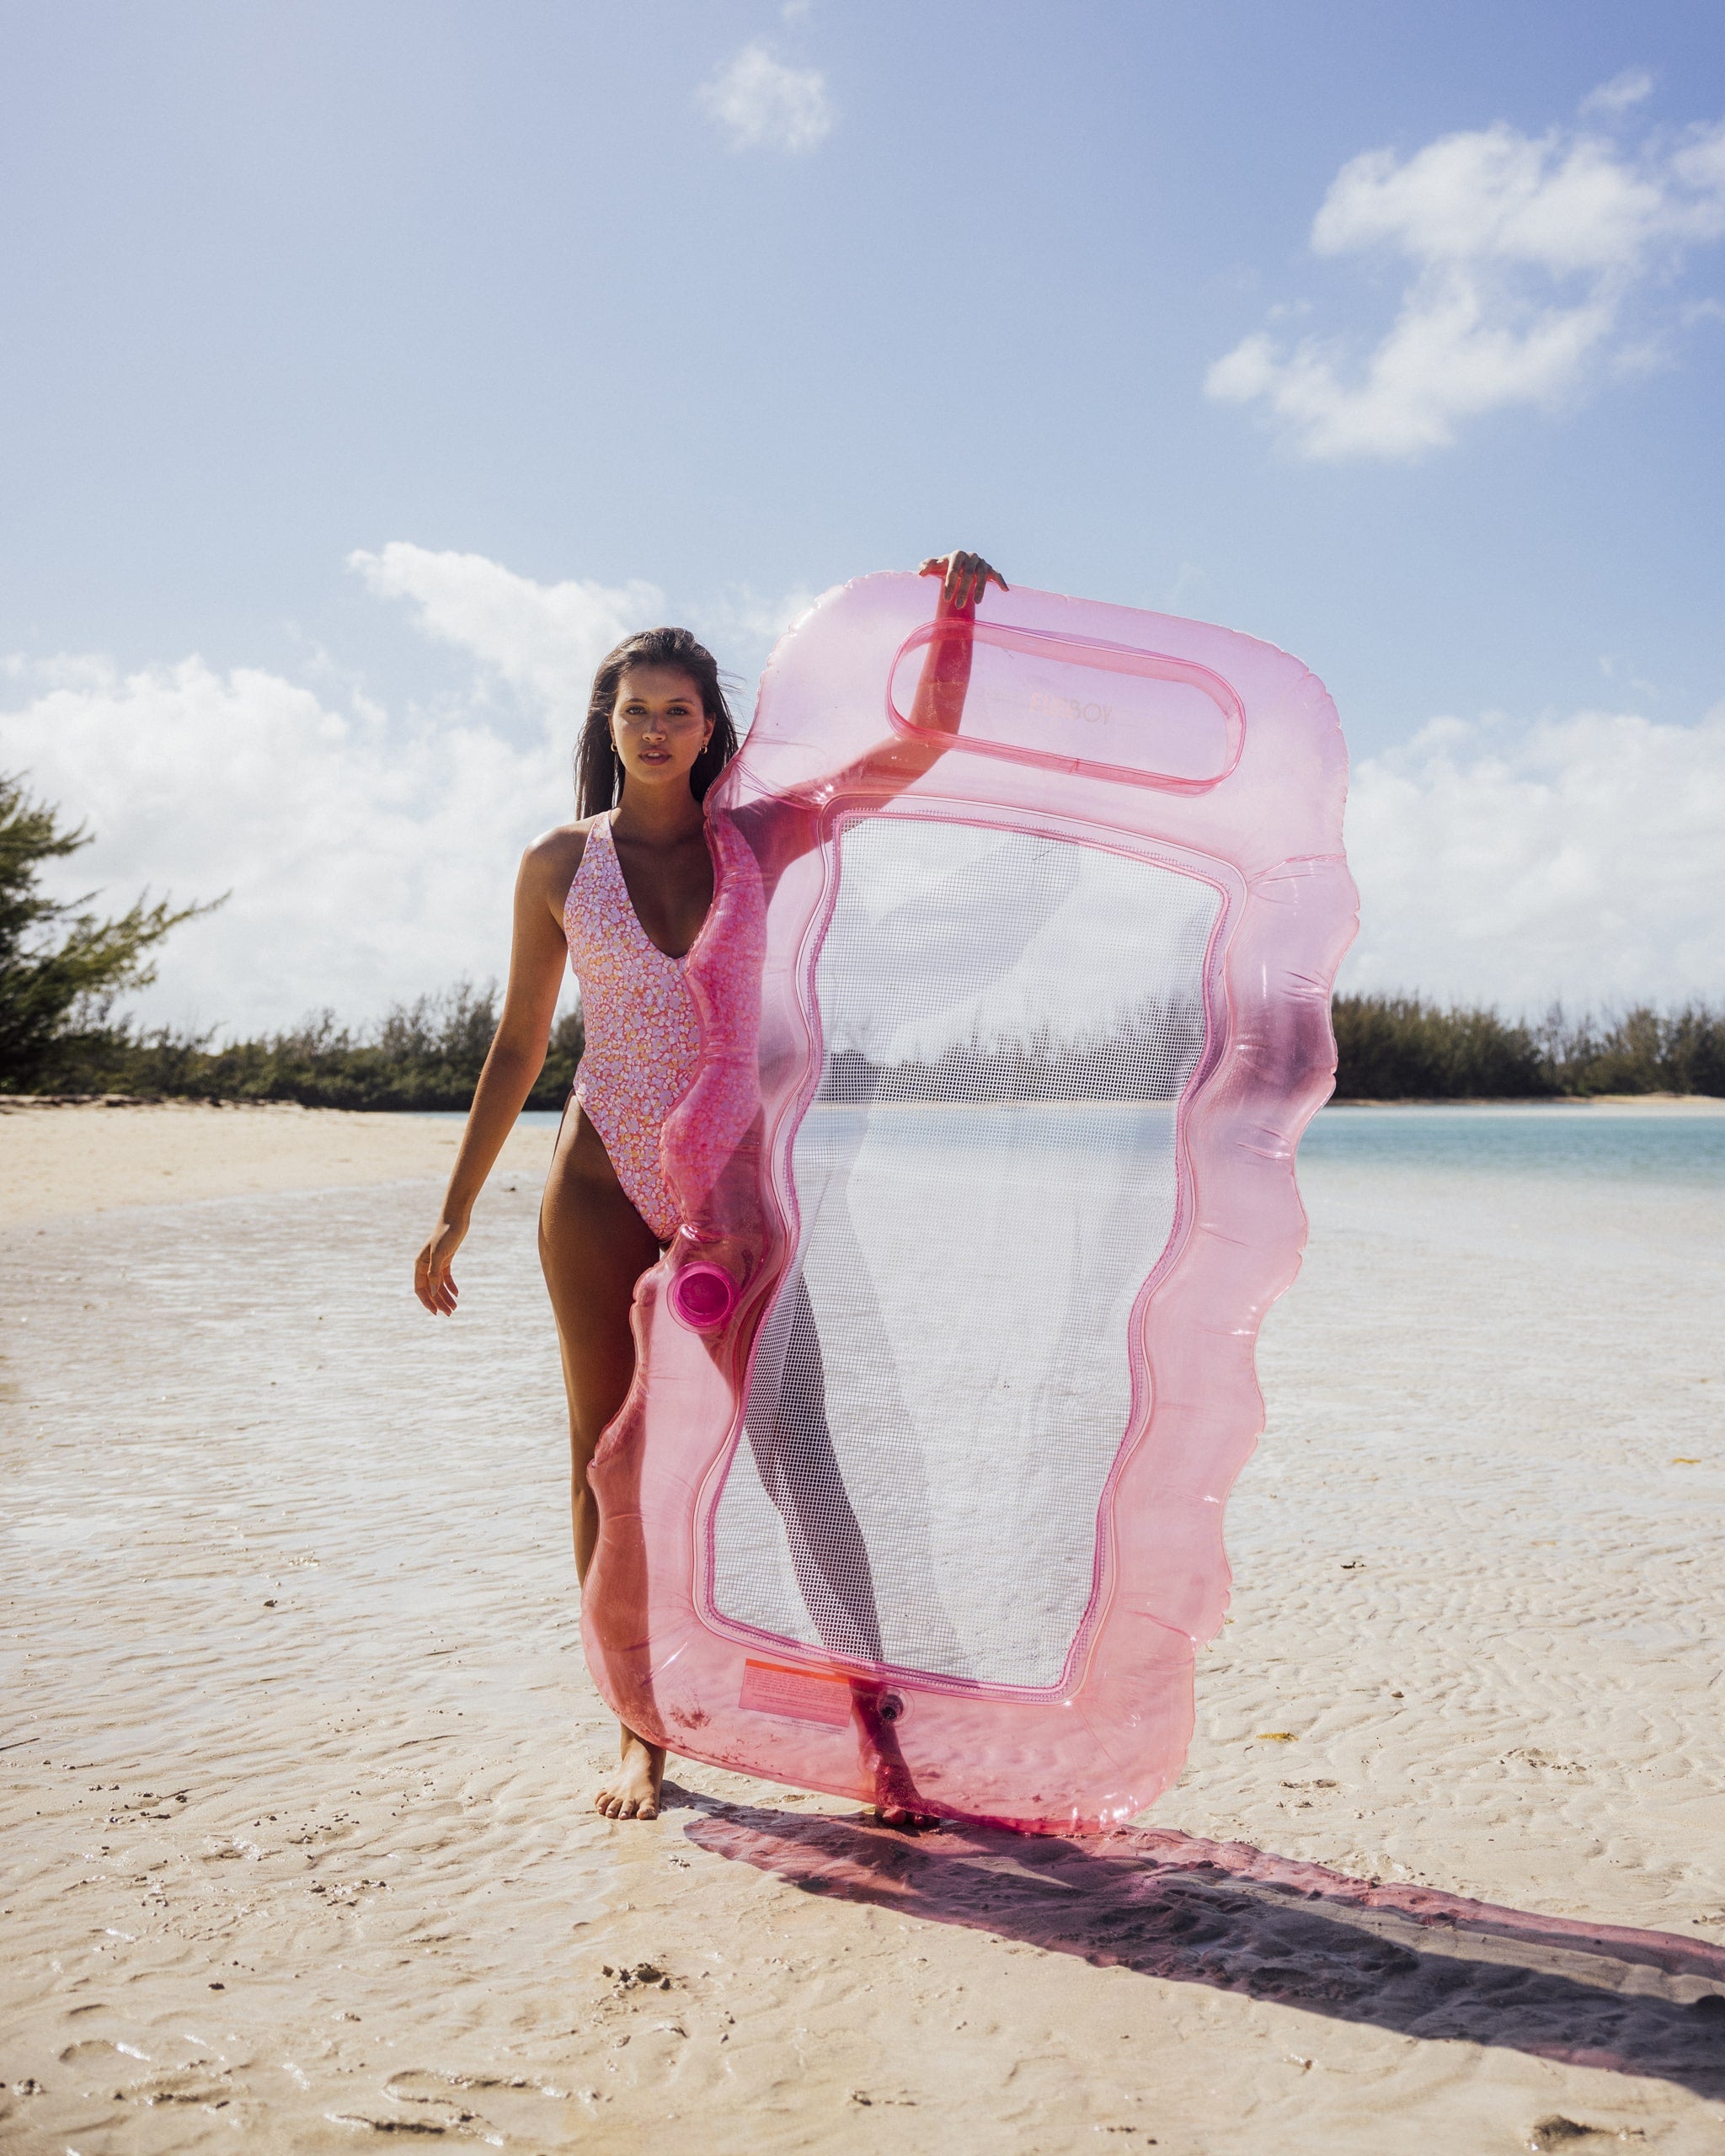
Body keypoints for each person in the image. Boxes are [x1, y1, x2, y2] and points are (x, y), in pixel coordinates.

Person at [414, 549, 1007, 1822]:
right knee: (606, 1464)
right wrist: (457, 1206)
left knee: (803, 1455)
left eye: (680, 708)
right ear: (607, 724)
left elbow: (917, 751)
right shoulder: (556, 866)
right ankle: (638, 1733)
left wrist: (952, 620)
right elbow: (519, 1047)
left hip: (733, 1190)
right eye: (637, 709)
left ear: (709, 726)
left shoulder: (761, 837)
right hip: (596, 1178)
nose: (658, 727)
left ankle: (874, 1733)